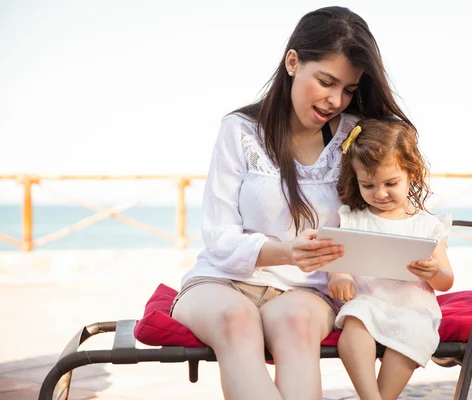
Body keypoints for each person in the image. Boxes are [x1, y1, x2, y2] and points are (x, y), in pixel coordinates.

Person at [170, 6, 416, 400]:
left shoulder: (356, 137)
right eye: (326, 81)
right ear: (292, 62)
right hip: (223, 282)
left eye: (349, 89)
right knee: (237, 322)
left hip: (310, 293)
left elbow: (390, 204)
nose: (336, 99)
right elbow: (218, 237)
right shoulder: (240, 131)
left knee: (298, 325)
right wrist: (286, 252)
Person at [328, 117, 454, 400]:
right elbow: (337, 260)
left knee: (412, 335)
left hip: (413, 306)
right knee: (355, 322)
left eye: (391, 183)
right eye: (368, 185)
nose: (380, 193)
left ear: (411, 174)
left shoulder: (427, 226)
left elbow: (446, 281)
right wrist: (340, 275)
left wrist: (433, 272)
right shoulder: (354, 219)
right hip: (369, 300)